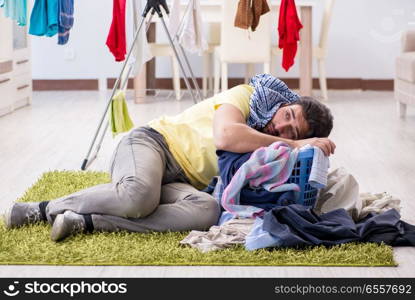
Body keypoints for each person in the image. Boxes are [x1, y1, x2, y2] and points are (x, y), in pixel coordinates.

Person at [4, 74, 335, 241]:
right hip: (152, 144)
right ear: (287, 101)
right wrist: (293, 145)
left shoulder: (274, 152)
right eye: (289, 114)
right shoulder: (247, 95)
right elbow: (226, 136)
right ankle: (40, 209)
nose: (282, 125)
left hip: (184, 181)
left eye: (293, 132)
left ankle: (87, 221)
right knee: (138, 196)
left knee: (205, 211)